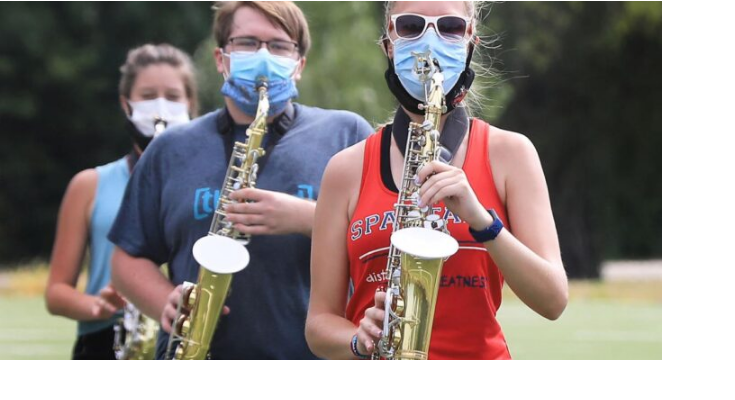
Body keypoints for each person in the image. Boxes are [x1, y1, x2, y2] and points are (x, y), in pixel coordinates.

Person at [109, 1, 374, 360]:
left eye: (279, 45)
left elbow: (381, 242)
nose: (263, 55)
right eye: (247, 43)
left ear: (299, 65)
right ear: (221, 59)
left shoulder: (347, 133)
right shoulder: (170, 148)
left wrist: (308, 218)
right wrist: (164, 303)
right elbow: (127, 258)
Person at [306, 1, 568, 360]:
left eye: (450, 27)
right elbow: (319, 324)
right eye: (411, 26)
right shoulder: (345, 170)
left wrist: (482, 221)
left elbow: (553, 300)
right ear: (388, 45)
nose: (430, 40)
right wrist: (358, 339)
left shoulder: (511, 153)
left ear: (470, 41)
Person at [45, 44, 198, 360]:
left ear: (190, 104)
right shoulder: (90, 184)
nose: (160, 107)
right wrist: (96, 307)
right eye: (147, 96)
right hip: (106, 340)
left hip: (188, 337)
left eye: (172, 97)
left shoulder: (209, 185)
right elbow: (56, 292)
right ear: (125, 104)